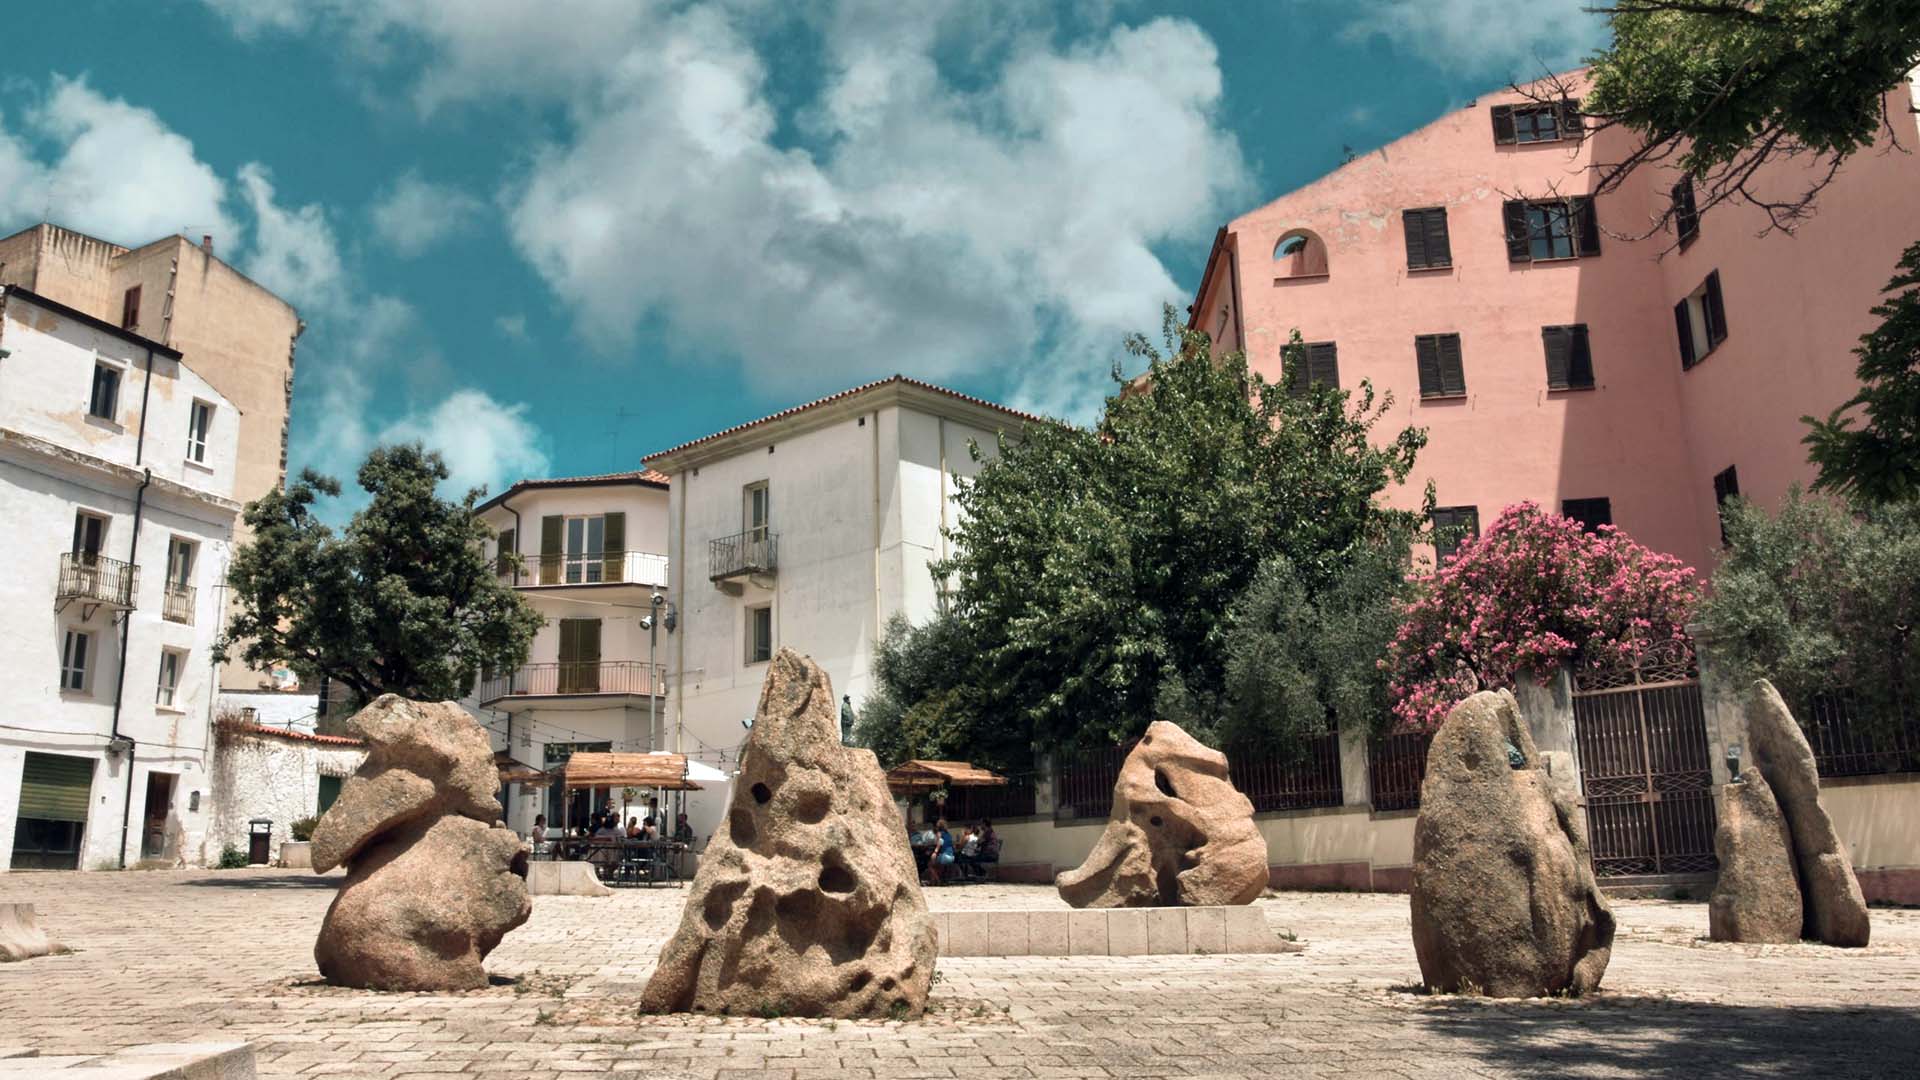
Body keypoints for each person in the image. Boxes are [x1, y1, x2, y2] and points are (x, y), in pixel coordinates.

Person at [926, 818, 956, 885]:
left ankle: (938, 880)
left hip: (944, 856)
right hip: (951, 856)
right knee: (938, 866)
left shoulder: (939, 833)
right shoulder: (948, 834)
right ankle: (933, 882)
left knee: (930, 864)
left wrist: (935, 852)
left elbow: (939, 843)